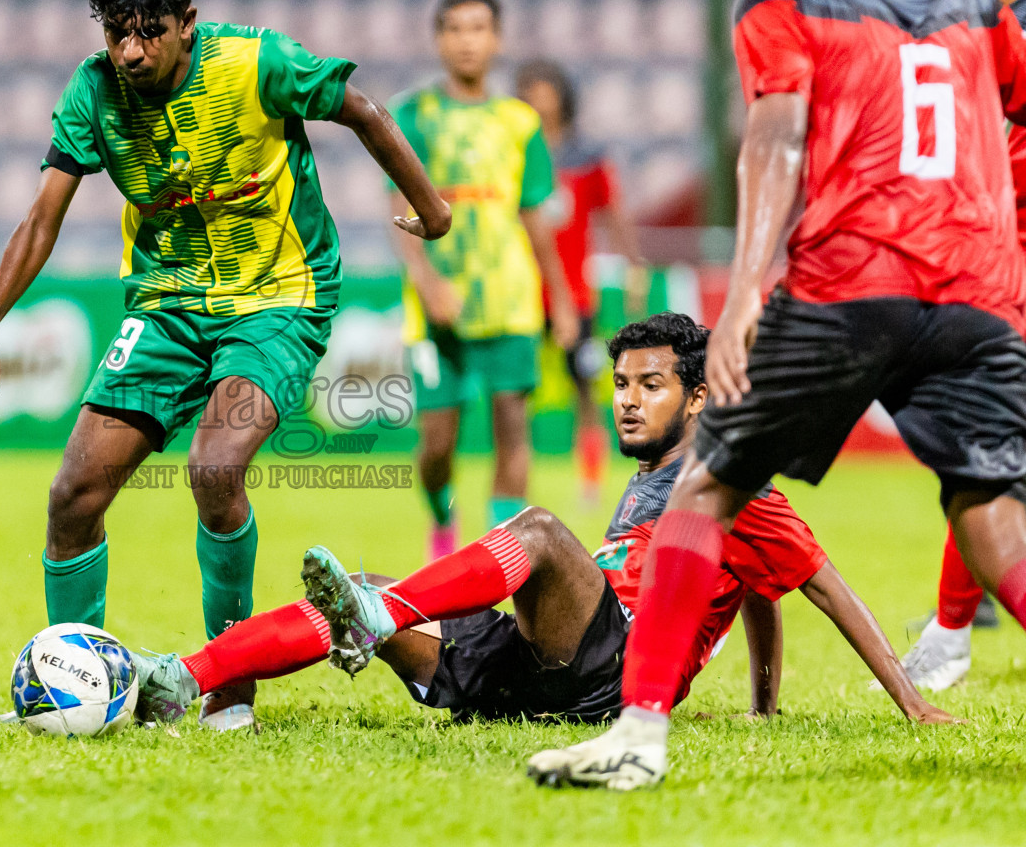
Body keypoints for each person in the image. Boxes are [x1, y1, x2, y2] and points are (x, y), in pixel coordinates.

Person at [529, 0, 1026, 790]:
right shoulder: (973, 2)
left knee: (704, 485)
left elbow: (774, 141)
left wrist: (749, 286)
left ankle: (635, 735)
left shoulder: (782, 0)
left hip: (852, 281)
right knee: (995, 521)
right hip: (977, 291)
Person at [0, 0, 451, 731]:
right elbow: (41, 218)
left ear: (187, 21)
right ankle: (70, 689)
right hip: (167, 308)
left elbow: (363, 109)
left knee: (215, 469)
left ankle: (230, 687)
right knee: (73, 495)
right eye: (116, 31)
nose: (130, 50)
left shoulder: (258, 65)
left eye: (148, 30)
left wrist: (432, 208)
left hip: (279, 301)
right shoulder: (93, 92)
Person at [128, 313, 951, 733]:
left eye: (650, 386)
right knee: (369, 585)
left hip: (620, 667)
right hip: (542, 666)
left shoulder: (735, 491)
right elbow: (759, 596)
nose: (628, 401)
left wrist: (912, 706)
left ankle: (386, 614)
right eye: (622, 385)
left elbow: (818, 589)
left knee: (543, 534)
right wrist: (763, 705)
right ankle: (182, 679)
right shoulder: (656, 485)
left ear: (699, 397)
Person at [894, 0, 1026, 691]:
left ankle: (948, 634)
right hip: (995, 274)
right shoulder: (971, 27)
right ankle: (947, 634)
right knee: (981, 453)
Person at [387, 0, 579, 561]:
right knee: (439, 442)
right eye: (455, 29)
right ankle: (443, 514)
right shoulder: (412, 115)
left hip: (510, 297)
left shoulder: (520, 122)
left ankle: (499, 555)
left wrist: (562, 299)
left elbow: (534, 217)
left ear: (496, 40)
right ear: (439, 40)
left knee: (511, 428)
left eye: (478, 28)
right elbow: (398, 204)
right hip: (438, 301)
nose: (467, 40)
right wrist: (425, 280)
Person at [517, 59, 647, 507]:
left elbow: (614, 214)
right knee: (515, 395)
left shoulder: (586, 157)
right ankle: (517, 482)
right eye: (531, 91)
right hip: (520, 295)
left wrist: (634, 265)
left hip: (574, 295)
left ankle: (590, 483)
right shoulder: (513, 153)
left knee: (587, 390)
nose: (539, 99)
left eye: (546, 90)